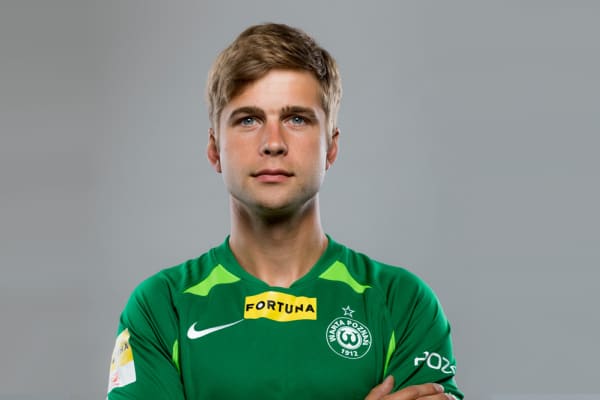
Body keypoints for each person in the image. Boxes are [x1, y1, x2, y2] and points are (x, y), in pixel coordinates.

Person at [107, 23, 464, 400]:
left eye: (297, 119)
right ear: (214, 149)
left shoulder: (402, 304)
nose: (273, 143)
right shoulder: (161, 308)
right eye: (248, 119)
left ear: (331, 147)